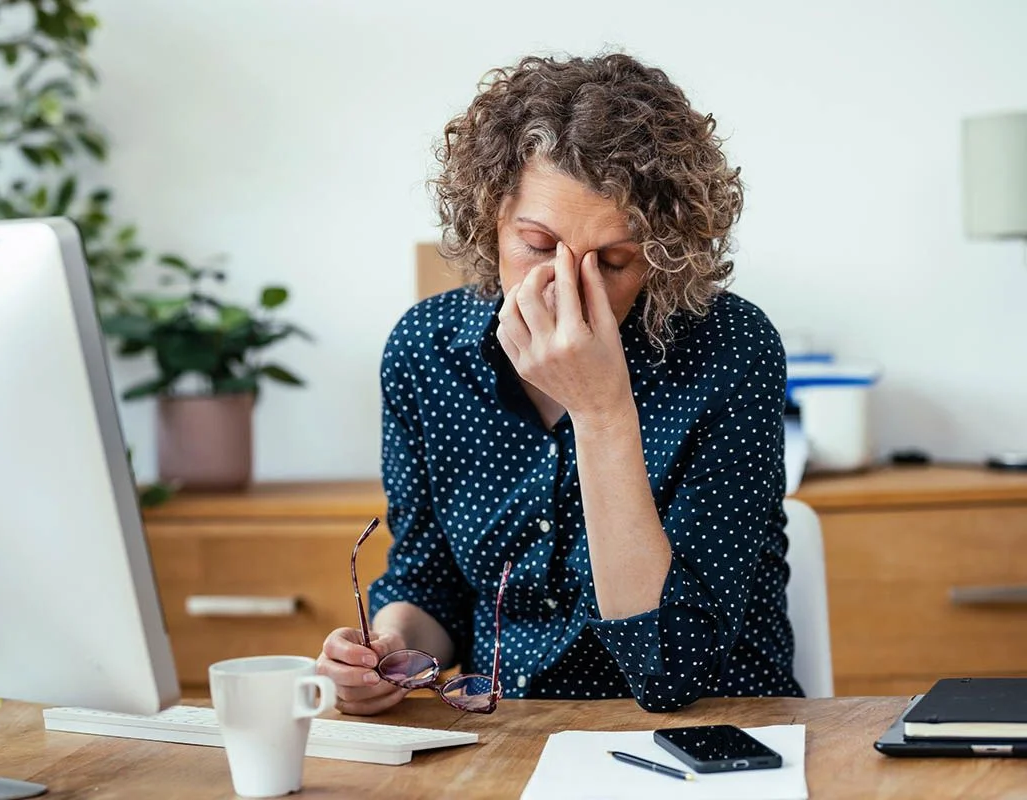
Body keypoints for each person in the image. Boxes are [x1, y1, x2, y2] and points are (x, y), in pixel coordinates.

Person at [316, 51, 800, 715]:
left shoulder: (731, 350)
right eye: (538, 246)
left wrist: (601, 411)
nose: (566, 287)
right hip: (508, 732)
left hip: (709, 730)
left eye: (614, 261)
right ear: (489, 216)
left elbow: (672, 671)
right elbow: (431, 586)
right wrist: (390, 650)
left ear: (661, 259)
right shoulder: (427, 351)